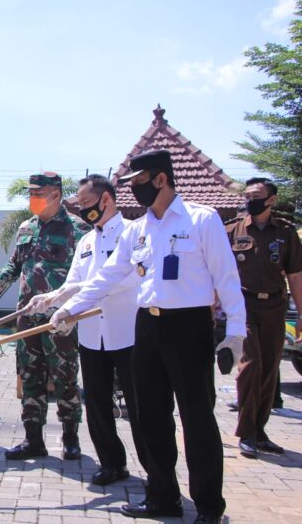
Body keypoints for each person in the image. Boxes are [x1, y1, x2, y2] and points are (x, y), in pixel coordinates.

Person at [51, 150, 246, 523]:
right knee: (152, 417)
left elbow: (228, 281)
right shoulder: (138, 229)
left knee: (197, 419)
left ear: (161, 179)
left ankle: (208, 506)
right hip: (147, 328)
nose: (133, 190)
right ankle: (162, 496)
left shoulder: (201, 220)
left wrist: (234, 333)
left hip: (189, 328)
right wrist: (70, 308)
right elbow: (106, 276)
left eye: (139, 182)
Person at [28, 175, 148, 485]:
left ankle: (155, 471)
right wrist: (53, 297)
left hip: (128, 334)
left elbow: (128, 278)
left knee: (141, 407)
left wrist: (74, 298)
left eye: (85, 204)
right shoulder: (87, 241)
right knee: (97, 404)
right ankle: (112, 464)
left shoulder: (133, 233)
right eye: (79, 205)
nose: (81, 210)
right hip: (93, 335)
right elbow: (72, 281)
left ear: (106, 199)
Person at [0, 172, 90, 461]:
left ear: (55, 194)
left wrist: (71, 310)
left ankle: (70, 437)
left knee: (66, 377)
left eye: (37, 193)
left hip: (60, 319)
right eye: (30, 193)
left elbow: (85, 278)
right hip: (27, 316)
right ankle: (33, 439)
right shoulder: (26, 228)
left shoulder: (78, 230)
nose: (33, 199)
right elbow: (15, 265)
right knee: (30, 376)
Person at [225, 177, 302, 458]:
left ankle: (260, 430)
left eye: (256, 195)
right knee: (251, 365)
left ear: (271, 199)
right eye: (247, 195)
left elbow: (294, 275)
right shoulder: (232, 231)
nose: (250, 200)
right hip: (243, 306)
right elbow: (216, 270)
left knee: (270, 369)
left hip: (275, 306)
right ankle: (246, 432)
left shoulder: (285, 234)